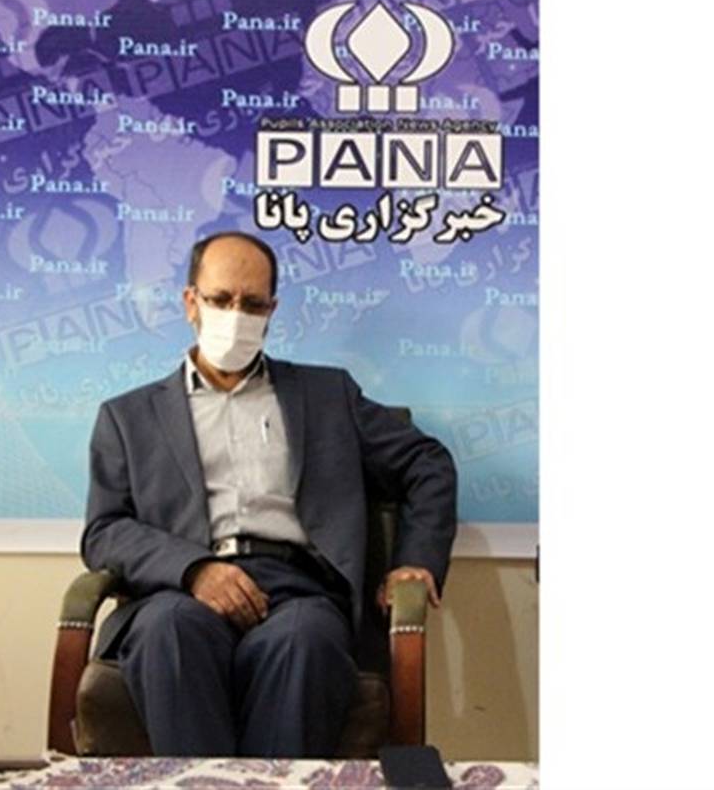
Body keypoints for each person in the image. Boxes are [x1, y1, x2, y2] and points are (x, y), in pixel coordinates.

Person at [80, 231, 457, 757]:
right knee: (170, 628)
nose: (236, 316)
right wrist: (194, 570)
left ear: (272, 310)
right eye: (220, 299)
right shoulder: (128, 417)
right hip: (179, 592)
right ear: (190, 302)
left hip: (298, 591)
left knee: (305, 639)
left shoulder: (328, 396)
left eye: (252, 304)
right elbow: (104, 531)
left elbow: (427, 463)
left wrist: (414, 561)